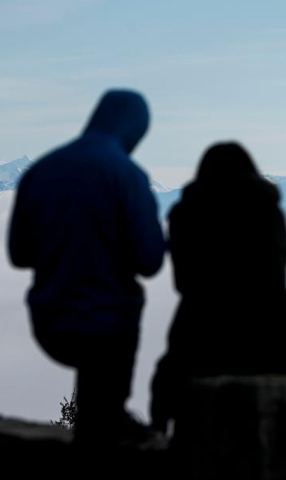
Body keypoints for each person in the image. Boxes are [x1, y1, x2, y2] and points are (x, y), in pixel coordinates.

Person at [7, 89, 166, 447]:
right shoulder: (128, 176)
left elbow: (19, 254)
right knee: (102, 412)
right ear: (134, 130)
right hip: (109, 326)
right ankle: (108, 419)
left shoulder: (41, 171)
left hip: (48, 319)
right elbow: (150, 261)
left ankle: (101, 419)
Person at [149, 142, 286, 438]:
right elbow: (276, 274)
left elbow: (183, 282)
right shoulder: (269, 211)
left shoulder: (184, 214)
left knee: (172, 389)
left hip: (199, 331)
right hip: (275, 328)